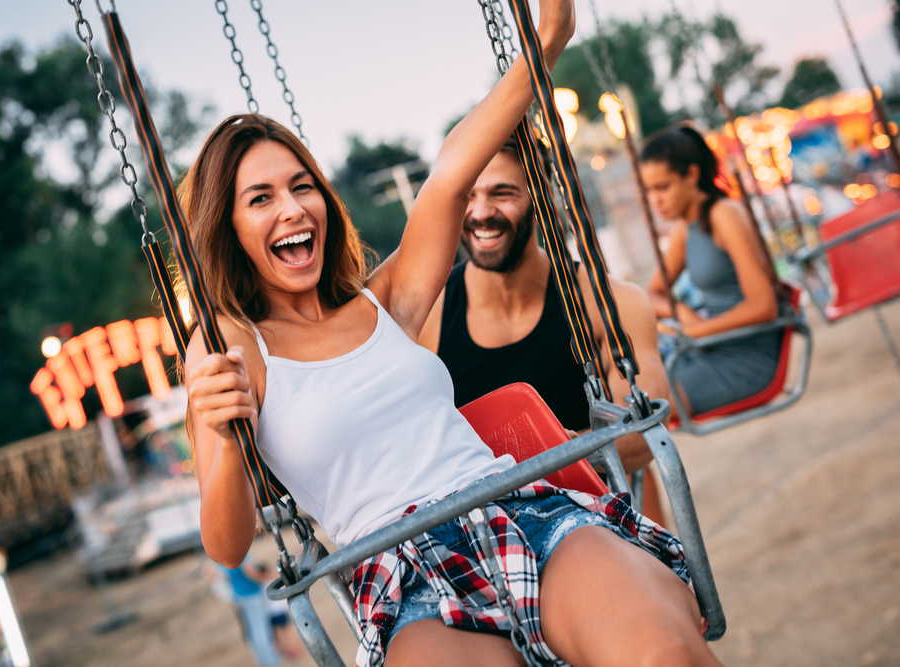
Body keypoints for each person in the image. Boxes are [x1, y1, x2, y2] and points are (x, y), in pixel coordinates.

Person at [184, 1, 723, 664]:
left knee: (659, 653)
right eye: (260, 198)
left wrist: (546, 43)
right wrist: (218, 428)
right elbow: (227, 544)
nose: (294, 208)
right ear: (227, 227)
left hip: (522, 512)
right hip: (401, 578)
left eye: (303, 186)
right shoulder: (230, 347)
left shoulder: (385, 303)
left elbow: (449, 174)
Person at [417, 138, 669, 480]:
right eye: (467, 195)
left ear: (542, 198)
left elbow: (641, 436)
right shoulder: (426, 314)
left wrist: (557, 454)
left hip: (585, 510)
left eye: (502, 194)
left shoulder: (612, 302)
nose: (479, 213)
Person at [640, 125, 781, 416]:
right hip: (711, 347)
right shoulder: (687, 227)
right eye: (649, 191)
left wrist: (697, 332)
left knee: (637, 412)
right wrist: (687, 317)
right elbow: (652, 293)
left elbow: (764, 306)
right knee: (621, 397)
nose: (655, 200)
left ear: (691, 175)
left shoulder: (724, 215)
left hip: (743, 359)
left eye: (662, 187)